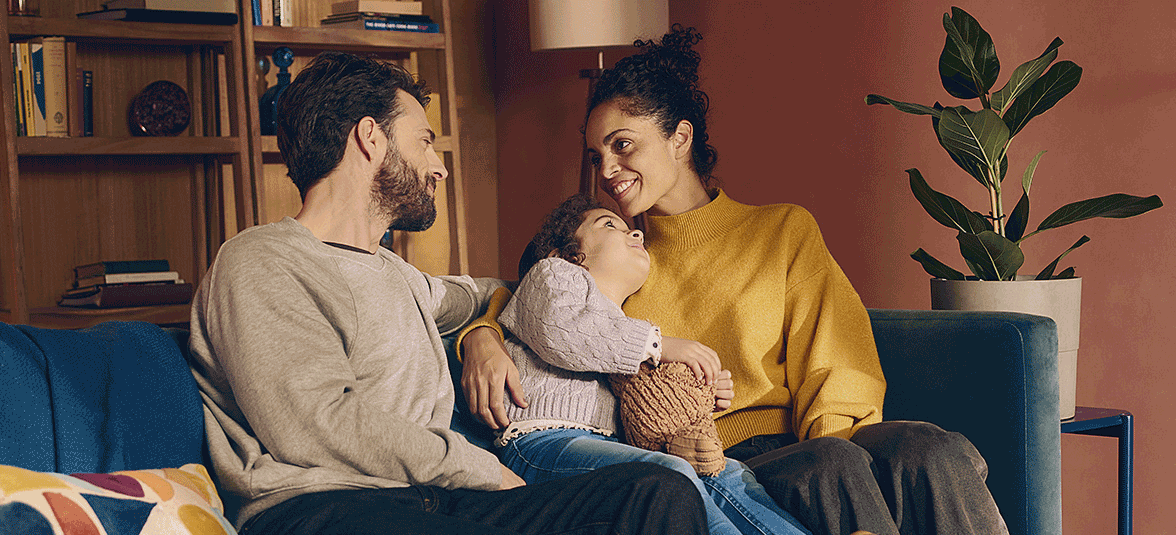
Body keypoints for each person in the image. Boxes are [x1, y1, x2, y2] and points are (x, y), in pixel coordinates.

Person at [461, 26, 1010, 535]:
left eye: (622, 145)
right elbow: (539, 296)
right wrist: (480, 334)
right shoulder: (617, 259)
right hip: (718, 459)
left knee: (929, 448)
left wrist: (842, 445)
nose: (605, 171)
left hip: (815, 439)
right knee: (833, 462)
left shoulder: (782, 229)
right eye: (596, 154)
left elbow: (839, 358)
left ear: (680, 137)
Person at [185, 51, 711, 535]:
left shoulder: (398, 275)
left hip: (435, 500)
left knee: (657, 492)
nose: (437, 166)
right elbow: (319, 425)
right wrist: (480, 468)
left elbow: (495, 294)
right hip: (325, 508)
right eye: (424, 141)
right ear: (370, 139)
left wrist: (485, 334)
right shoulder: (263, 261)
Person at [493, 193, 810, 535]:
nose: (636, 233)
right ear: (569, 255)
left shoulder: (622, 322)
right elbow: (562, 331)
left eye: (631, 229)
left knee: (729, 472)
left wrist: (697, 393)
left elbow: (643, 398)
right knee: (670, 473)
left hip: (605, 446)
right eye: (610, 225)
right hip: (540, 442)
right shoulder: (553, 274)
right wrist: (659, 344)